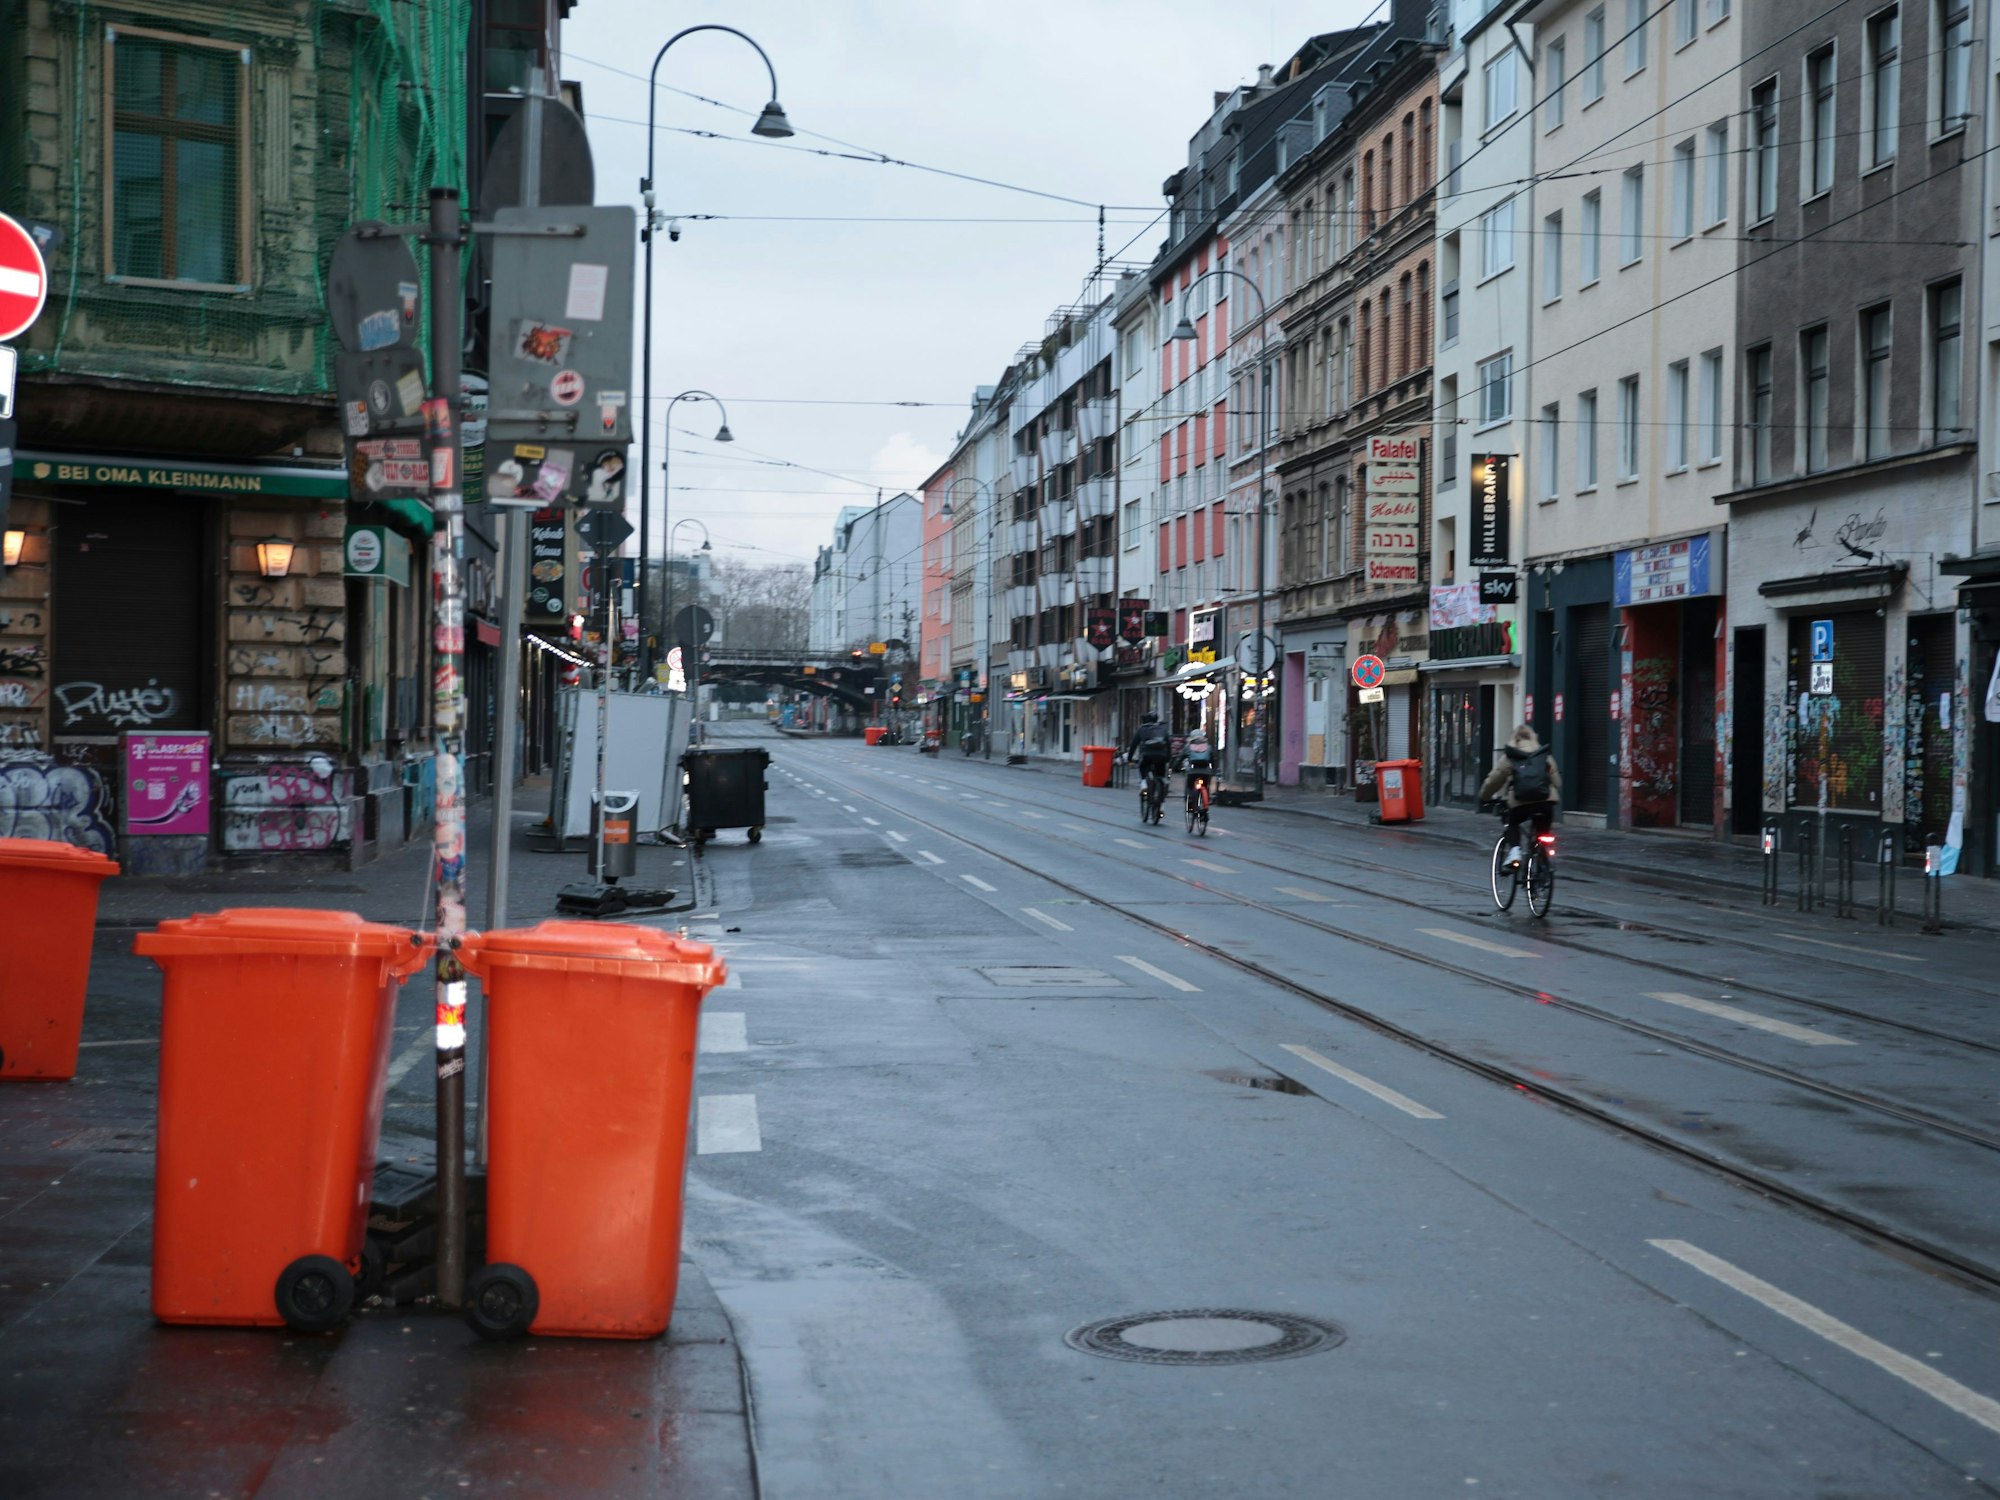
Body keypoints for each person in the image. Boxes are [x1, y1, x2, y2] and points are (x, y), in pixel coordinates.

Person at [1479, 724, 1561, 867]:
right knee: (1542, 832)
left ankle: (1515, 852)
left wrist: (1484, 797)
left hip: (1521, 803)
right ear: (1533, 737)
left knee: (1513, 822)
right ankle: (1543, 861)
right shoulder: (1544, 755)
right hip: (1545, 803)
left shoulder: (1510, 756)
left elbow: (1494, 781)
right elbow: (1557, 782)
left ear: (1514, 739)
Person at [1126, 712, 1172, 806]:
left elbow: (1133, 745)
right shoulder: (1162, 729)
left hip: (1147, 755)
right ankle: (1161, 804)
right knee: (1161, 776)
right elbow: (1168, 745)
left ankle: (1143, 784)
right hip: (1161, 756)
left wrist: (1129, 759)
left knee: (1142, 767)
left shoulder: (1142, 729)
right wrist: (1168, 758)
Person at [1183, 727, 1216, 799]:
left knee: (1190, 787)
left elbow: (1180, 757)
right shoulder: (1208, 746)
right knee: (1206, 785)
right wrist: (1213, 770)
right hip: (1206, 772)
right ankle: (1207, 798)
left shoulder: (1188, 747)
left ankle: (1189, 803)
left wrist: (1174, 767)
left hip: (1192, 771)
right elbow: (1212, 759)